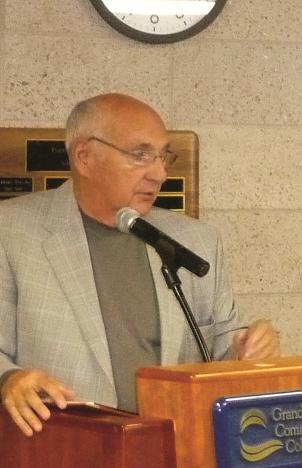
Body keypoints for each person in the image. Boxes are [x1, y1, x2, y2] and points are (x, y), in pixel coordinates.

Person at [0, 93, 281, 436]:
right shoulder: (11, 233)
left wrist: (245, 347)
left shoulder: (196, 241)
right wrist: (9, 379)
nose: (159, 173)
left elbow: (220, 346)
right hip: (58, 458)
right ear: (85, 156)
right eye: (141, 155)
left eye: (163, 156)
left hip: (174, 454)